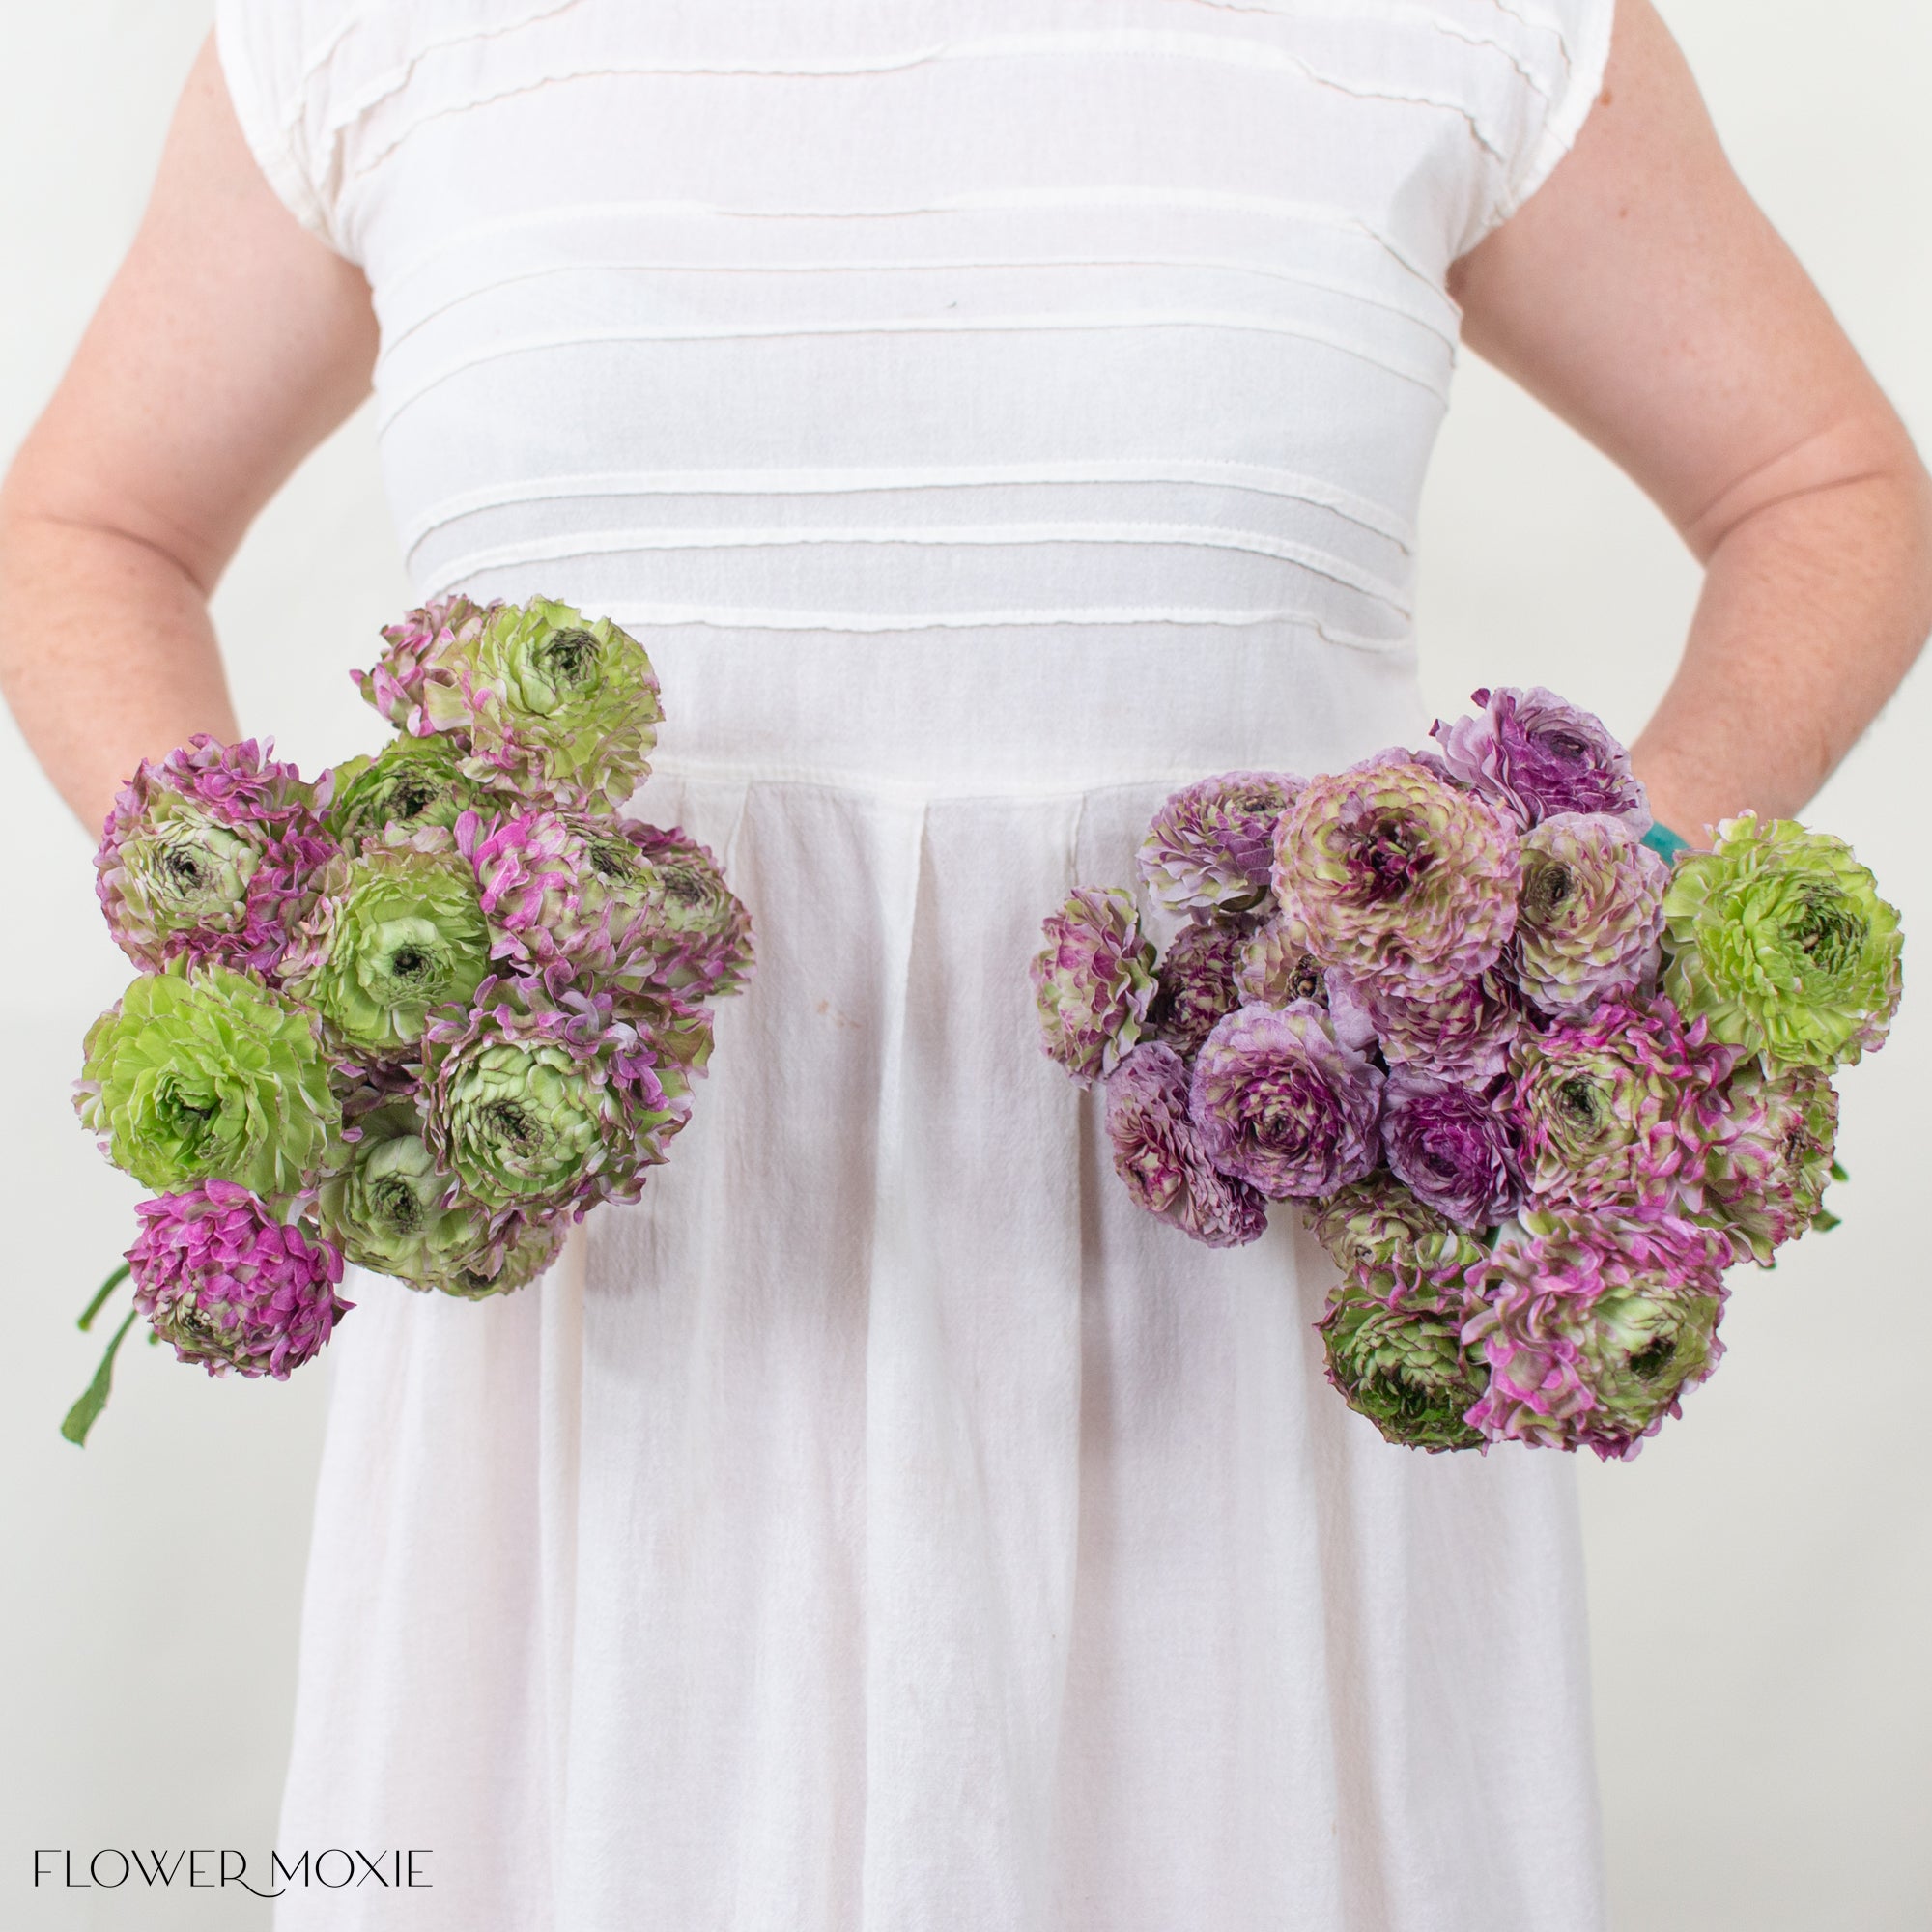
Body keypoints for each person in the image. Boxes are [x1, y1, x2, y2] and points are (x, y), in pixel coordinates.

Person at [2, 2, 1926, 1926]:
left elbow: (1825, 492)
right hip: (629, 1344)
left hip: (1228, 1333)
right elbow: (85, 528)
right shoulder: (368, 33)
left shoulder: (1465, 26)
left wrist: (1569, 917)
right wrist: (288, 946)